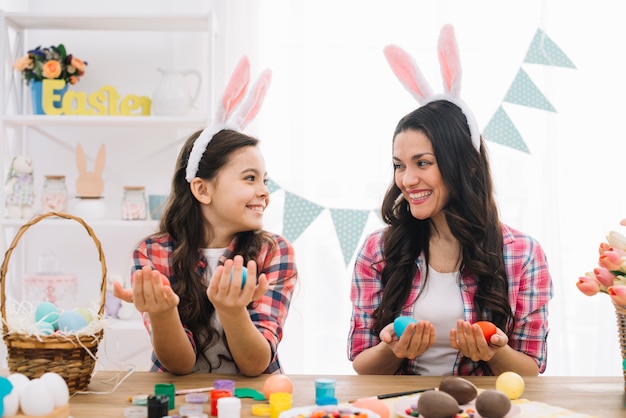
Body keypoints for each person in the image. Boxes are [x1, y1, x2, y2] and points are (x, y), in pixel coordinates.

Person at [347, 25, 553, 376]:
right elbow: (361, 363)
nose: (407, 180)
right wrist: (393, 350)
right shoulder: (378, 250)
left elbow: (532, 368)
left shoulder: (522, 254)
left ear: (468, 165)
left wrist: (491, 353)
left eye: (423, 163)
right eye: (399, 165)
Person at [114, 56, 298, 376]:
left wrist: (233, 310)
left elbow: (256, 364)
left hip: (254, 402)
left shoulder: (274, 252)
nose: (264, 191)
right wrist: (162, 312)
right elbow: (179, 365)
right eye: (250, 178)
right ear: (202, 190)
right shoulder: (153, 253)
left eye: (264, 180)